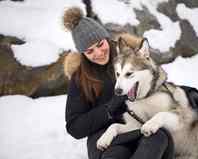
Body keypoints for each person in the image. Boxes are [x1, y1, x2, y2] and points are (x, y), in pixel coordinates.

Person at [63, 7, 174, 159]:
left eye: (100, 44)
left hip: (140, 125)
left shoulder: (131, 57)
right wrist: (109, 108)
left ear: (106, 38)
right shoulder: (80, 79)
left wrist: (189, 96)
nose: (98, 53)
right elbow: (74, 127)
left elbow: (156, 82)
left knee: (158, 138)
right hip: (105, 138)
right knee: (117, 155)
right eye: (89, 51)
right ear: (83, 54)